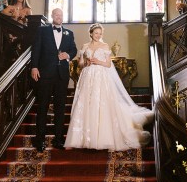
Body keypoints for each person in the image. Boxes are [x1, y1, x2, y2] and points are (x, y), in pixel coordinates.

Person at [64, 23, 153, 151]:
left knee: (102, 105)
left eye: (100, 33)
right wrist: (86, 62)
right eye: (96, 33)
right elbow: (81, 64)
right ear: (91, 33)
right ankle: (79, 139)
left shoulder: (105, 46)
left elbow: (108, 64)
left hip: (101, 77)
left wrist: (98, 62)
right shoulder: (85, 46)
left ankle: (104, 139)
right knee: (85, 105)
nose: (98, 35)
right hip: (88, 76)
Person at [30, 8, 77, 152]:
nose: (59, 17)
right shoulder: (42, 30)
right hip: (45, 74)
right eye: (56, 14)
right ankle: (40, 141)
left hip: (62, 76)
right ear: (52, 16)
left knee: (60, 108)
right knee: (43, 107)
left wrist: (67, 55)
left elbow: (74, 50)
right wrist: (34, 67)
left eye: (61, 15)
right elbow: (36, 49)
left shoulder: (69, 33)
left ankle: (58, 139)